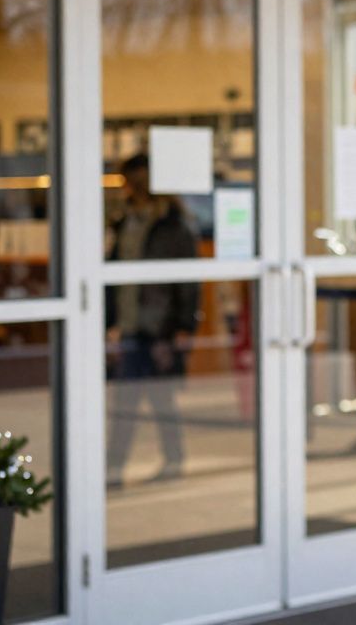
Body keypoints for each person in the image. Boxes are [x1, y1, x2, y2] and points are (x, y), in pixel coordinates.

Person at [105, 153, 200, 488]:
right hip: (129, 324)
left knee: (162, 400)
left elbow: (187, 282)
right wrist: (111, 321)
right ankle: (114, 468)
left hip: (160, 326)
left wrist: (184, 326)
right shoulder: (123, 221)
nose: (131, 186)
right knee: (125, 401)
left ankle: (172, 459)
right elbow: (112, 275)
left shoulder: (173, 226)